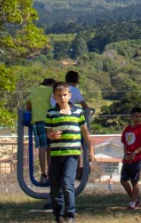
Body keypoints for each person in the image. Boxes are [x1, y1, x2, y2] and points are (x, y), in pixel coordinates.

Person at [47, 81, 94, 223]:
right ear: (54, 97)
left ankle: (70, 214)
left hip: (72, 155)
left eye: (65, 95)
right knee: (55, 187)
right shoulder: (51, 113)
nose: (62, 98)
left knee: (67, 184)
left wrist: (91, 149)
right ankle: (58, 215)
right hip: (56, 155)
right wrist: (51, 135)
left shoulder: (78, 112)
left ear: (70, 96)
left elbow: (85, 133)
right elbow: (48, 133)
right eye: (59, 95)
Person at [27, 77, 57, 184]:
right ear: (52, 84)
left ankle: (43, 174)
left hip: (37, 121)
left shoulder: (34, 90)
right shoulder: (51, 91)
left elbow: (28, 104)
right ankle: (51, 173)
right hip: (50, 121)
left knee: (42, 148)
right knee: (50, 148)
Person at [120, 106, 141, 209]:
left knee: (134, 181)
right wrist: (125, 154)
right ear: (131, 116)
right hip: (127, 159)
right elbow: (125, 143)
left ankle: (132, 203)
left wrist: (135, 152)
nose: (138, 119)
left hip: (137, 159)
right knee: (123, 181)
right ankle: (135, 200)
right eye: (136, 116)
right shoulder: (127, 129)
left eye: (140, 116)